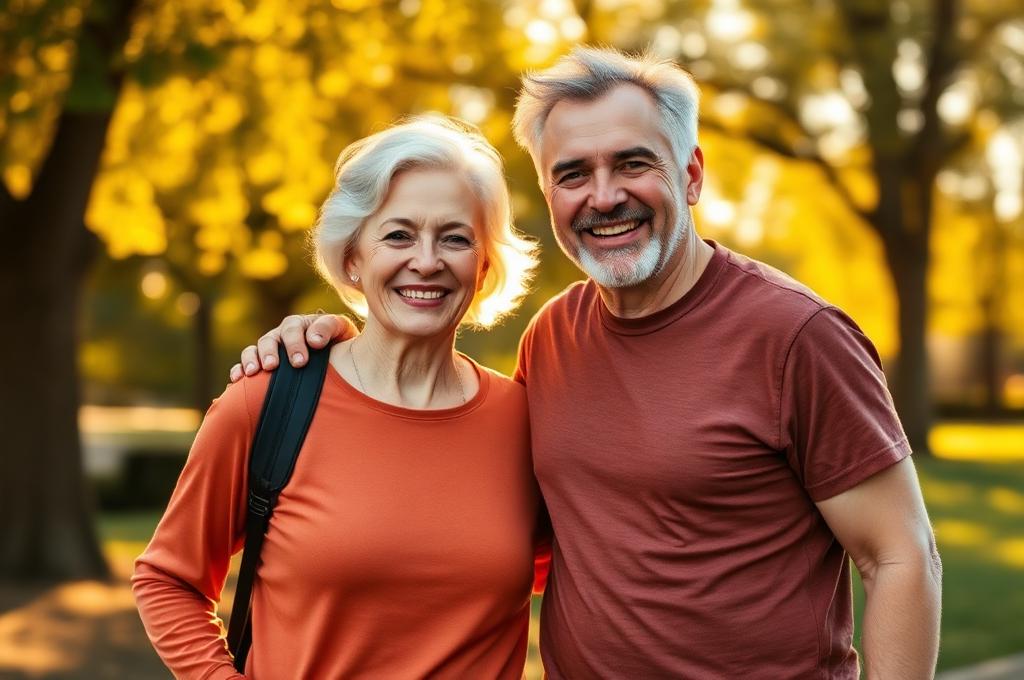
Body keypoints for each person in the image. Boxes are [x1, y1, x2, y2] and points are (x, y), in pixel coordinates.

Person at [232, 48, 942, 678]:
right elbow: (486, 514)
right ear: (549, 197)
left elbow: (900, 556)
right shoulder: (552, 337)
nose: (604, 197)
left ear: (691, 174)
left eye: (633, 163)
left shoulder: (796, 337)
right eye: (573, 174)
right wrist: (341, 338)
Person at [133, 116, 545, 679]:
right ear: (352, 258)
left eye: (455, 238)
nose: (427, 261)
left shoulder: (526, 422)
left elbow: (589, 572)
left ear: (485, 264)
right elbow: (168, 579)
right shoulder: (267, 401)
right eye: (398, 235)